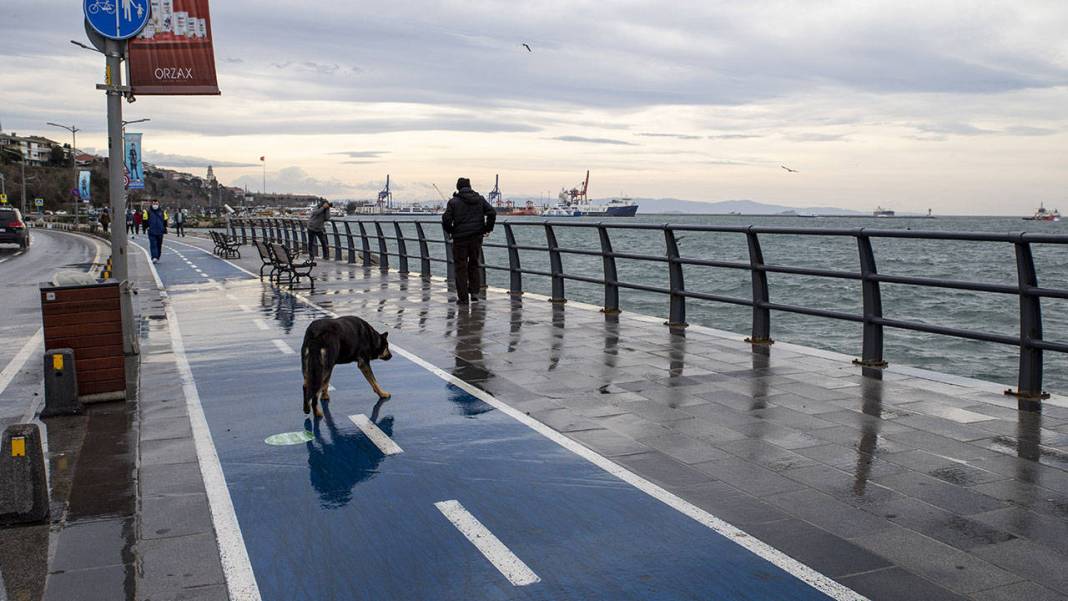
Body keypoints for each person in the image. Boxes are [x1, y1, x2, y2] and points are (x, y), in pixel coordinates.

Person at [442, 177, 495, 305]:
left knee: (460, 267)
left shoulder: (453, 202)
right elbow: (492, 212)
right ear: (470, 186)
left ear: (458, 187)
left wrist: (451, 231)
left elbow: (446, 219)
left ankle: (463, 298)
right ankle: (475, 294)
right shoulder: (480, 199)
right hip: (477, 237)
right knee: (474, 264)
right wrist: (487, 229)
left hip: (460, 239)